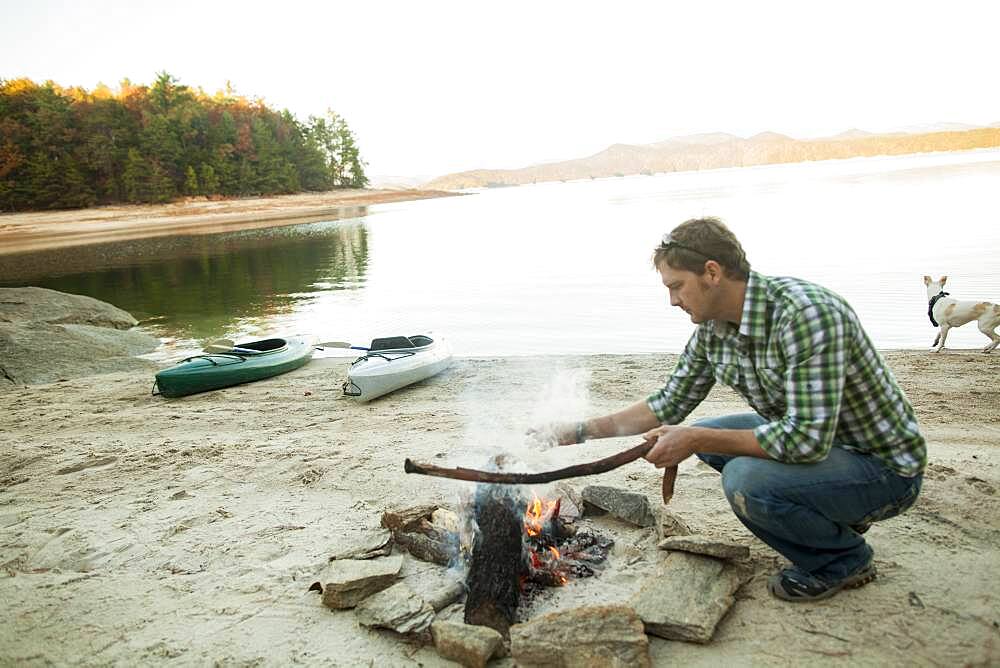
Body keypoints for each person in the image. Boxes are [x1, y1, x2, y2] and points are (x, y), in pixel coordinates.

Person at [545, 216, 925, 602]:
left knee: (744, 480)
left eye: (677, 286)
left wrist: (693, 437)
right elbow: (666, 405)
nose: (673, 301)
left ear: (711, 272)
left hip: (884, 469)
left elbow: (806, 441)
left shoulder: (806, 315)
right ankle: (829, 514)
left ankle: (842, 561)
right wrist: (576, 432)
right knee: (710, 436)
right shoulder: (713, 331)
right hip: (829, 448)